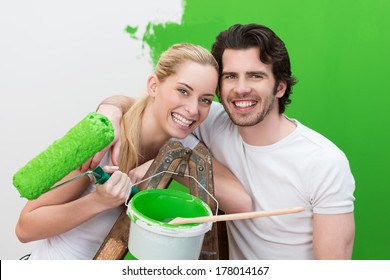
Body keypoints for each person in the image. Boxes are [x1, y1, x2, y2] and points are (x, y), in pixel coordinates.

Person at [93, 24, 356, 260]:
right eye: (231, 76)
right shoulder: (210, 118)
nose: (241, 88)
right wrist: (110, 112)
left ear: (280, 87)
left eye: (255, 76)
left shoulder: (324, 162)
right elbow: (154, 104)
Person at [15, 43, 251, 260]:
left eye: (206, 100)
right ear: (153, 86)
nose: (192, 109)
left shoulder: (183, 147)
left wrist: (171, 163)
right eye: (183, 91)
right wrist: (98, 201)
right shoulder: (103, 140)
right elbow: (25, 227)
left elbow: (241, 203)